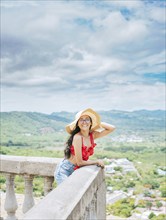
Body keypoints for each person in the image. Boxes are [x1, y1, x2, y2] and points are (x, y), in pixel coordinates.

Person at [54, 108, 115, 185]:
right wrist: (96, 161)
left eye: (87, 119)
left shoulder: (92, 135)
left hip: (75, 169)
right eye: (81, 120)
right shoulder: (78, 137)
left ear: (91, 123)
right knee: (68, 194)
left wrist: (98, 122)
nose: (84, 122)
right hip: (65, 170)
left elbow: (111, 128)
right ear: (77, 123)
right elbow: (79, 162)